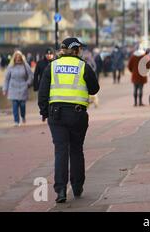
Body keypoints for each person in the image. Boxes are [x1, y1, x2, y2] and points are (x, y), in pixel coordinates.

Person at [38, 37, 99, 203]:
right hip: (77, 114)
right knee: (76, 150)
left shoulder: (52, 66)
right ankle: (77, 186)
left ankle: (61, 191)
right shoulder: (83, 66)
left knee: (61, 151)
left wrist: (44, 111)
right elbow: (95, 88)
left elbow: (43, 92)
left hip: (56, 114)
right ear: (77, 50)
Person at [2, 50, 34, 127]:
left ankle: (23, 116)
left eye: (19, 57)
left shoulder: (25, 65)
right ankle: (16, 121)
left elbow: (31, 76)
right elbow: (6, 79)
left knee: (22, 105)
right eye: (16, 57)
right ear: (14, 58)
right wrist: (4, 89)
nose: (17, 59)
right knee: (15, 105)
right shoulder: (10, 66)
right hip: (13, 87)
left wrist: (28, 83)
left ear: (21, 58)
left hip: (23, 87)